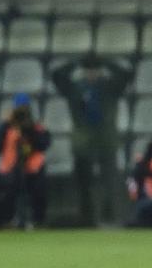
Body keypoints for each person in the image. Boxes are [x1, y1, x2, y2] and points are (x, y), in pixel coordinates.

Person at [51, 56, 134, 226]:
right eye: (88, 70)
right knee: (83, 182)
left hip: (106, 139)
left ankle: (109, 213)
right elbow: (56, 76)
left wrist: (107, 62)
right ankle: (86, 215)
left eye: (95, 70)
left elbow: (126, 75)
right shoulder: (75, 88)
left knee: (109, 180)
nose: (91, 74)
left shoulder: (109, 87)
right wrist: (75, 62)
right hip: (82, 141)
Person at [0, 94, 51, 228]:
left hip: (33, 168)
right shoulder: (6, 127)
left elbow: (43, 144)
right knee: (8, 193)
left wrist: (31, 129)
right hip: (10, 169)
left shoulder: (35, 127)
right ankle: (8, 220)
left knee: (39, 191)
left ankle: (37, 221)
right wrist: (5, 123)